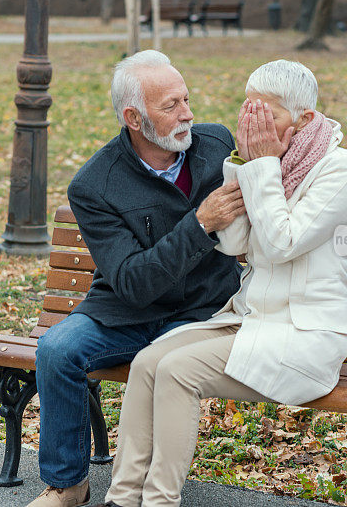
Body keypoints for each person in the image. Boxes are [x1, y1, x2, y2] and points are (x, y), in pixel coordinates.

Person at [92, 60, 347, 507]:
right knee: (147, 363)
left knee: (178, 372)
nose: (254, 126)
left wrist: (260, 167)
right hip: (254, 320)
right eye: (249, 112)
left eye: (268, 116)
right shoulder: (264, 163)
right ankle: (121, 499)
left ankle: (159, 502)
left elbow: (282, 243)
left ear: (306, 120)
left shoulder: (341, 170)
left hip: (306, 335)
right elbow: (235, 242)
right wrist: (241, 164)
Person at [28, 50, 247, 507]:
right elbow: (131, 282)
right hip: (127, 309)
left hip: (201, 310)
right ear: (134, 117)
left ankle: (145, 491)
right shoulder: (95, 185)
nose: (187, 114)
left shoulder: (215, 145)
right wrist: (199, 224)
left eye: (186, 99)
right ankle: (68, 484)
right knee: (56, 350)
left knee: (161, 365)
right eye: (171, 105)